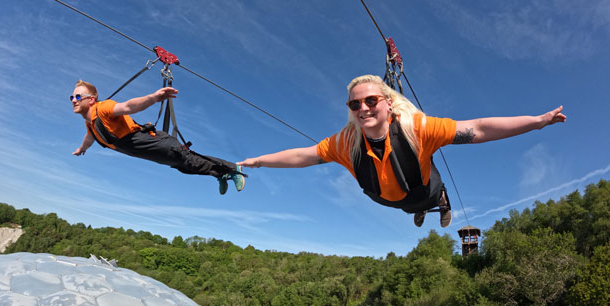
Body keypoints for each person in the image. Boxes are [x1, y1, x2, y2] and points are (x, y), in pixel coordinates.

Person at [238, 75, 566, 227]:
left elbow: (478, 128)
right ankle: (419, 210)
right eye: (355, 104)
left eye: (371, 100)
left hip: (424, 187)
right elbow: (303, 156)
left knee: (428, 194)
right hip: (391, 199)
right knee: (409, 208)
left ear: (388, 102)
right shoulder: (345, 142)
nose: (363, 108)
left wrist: (537, 121)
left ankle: (440, 203)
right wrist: (259, 162)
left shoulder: (418, 128)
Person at [71, 80, 245, 194]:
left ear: (92, 99)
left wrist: (153, 97)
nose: (74, 100)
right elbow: (89, 138)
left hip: (150, 141)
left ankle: (233, 168)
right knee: (184, 166)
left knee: (185, 158)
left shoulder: (103, 108)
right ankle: (220, 173)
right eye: (72, 97)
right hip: (142, 149)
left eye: (78, 96)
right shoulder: (90, 123)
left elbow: (128, 106)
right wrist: (82, 149)